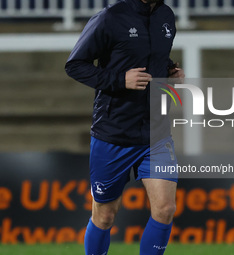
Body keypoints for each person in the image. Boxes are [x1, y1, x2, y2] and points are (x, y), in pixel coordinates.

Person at [65, 0, 185, 254]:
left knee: (165, 209)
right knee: (105, 215)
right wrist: (121, 79)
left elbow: (151, 58)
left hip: (156, 133)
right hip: (114, 133)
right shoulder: (110, 17)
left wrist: (169, 72)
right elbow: (75, 65)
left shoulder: (166, 15)